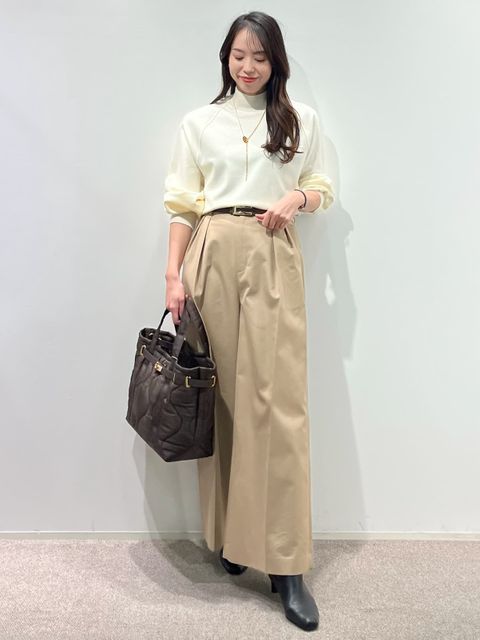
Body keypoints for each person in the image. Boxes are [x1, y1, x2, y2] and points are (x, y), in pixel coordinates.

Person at [163, 11, 335, 632]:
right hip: (211, 252)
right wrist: (172, 275)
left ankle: (286, 565)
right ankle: (232, 538)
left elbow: (323, 185)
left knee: (279, 406)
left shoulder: (299, 120)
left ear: (276, 61)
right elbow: (182, 205)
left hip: (270, 254)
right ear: (226, 58)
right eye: (239, 55)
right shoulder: (198, 123)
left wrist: (297, 197)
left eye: (260, 56)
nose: (248, 66)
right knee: (223, 402)